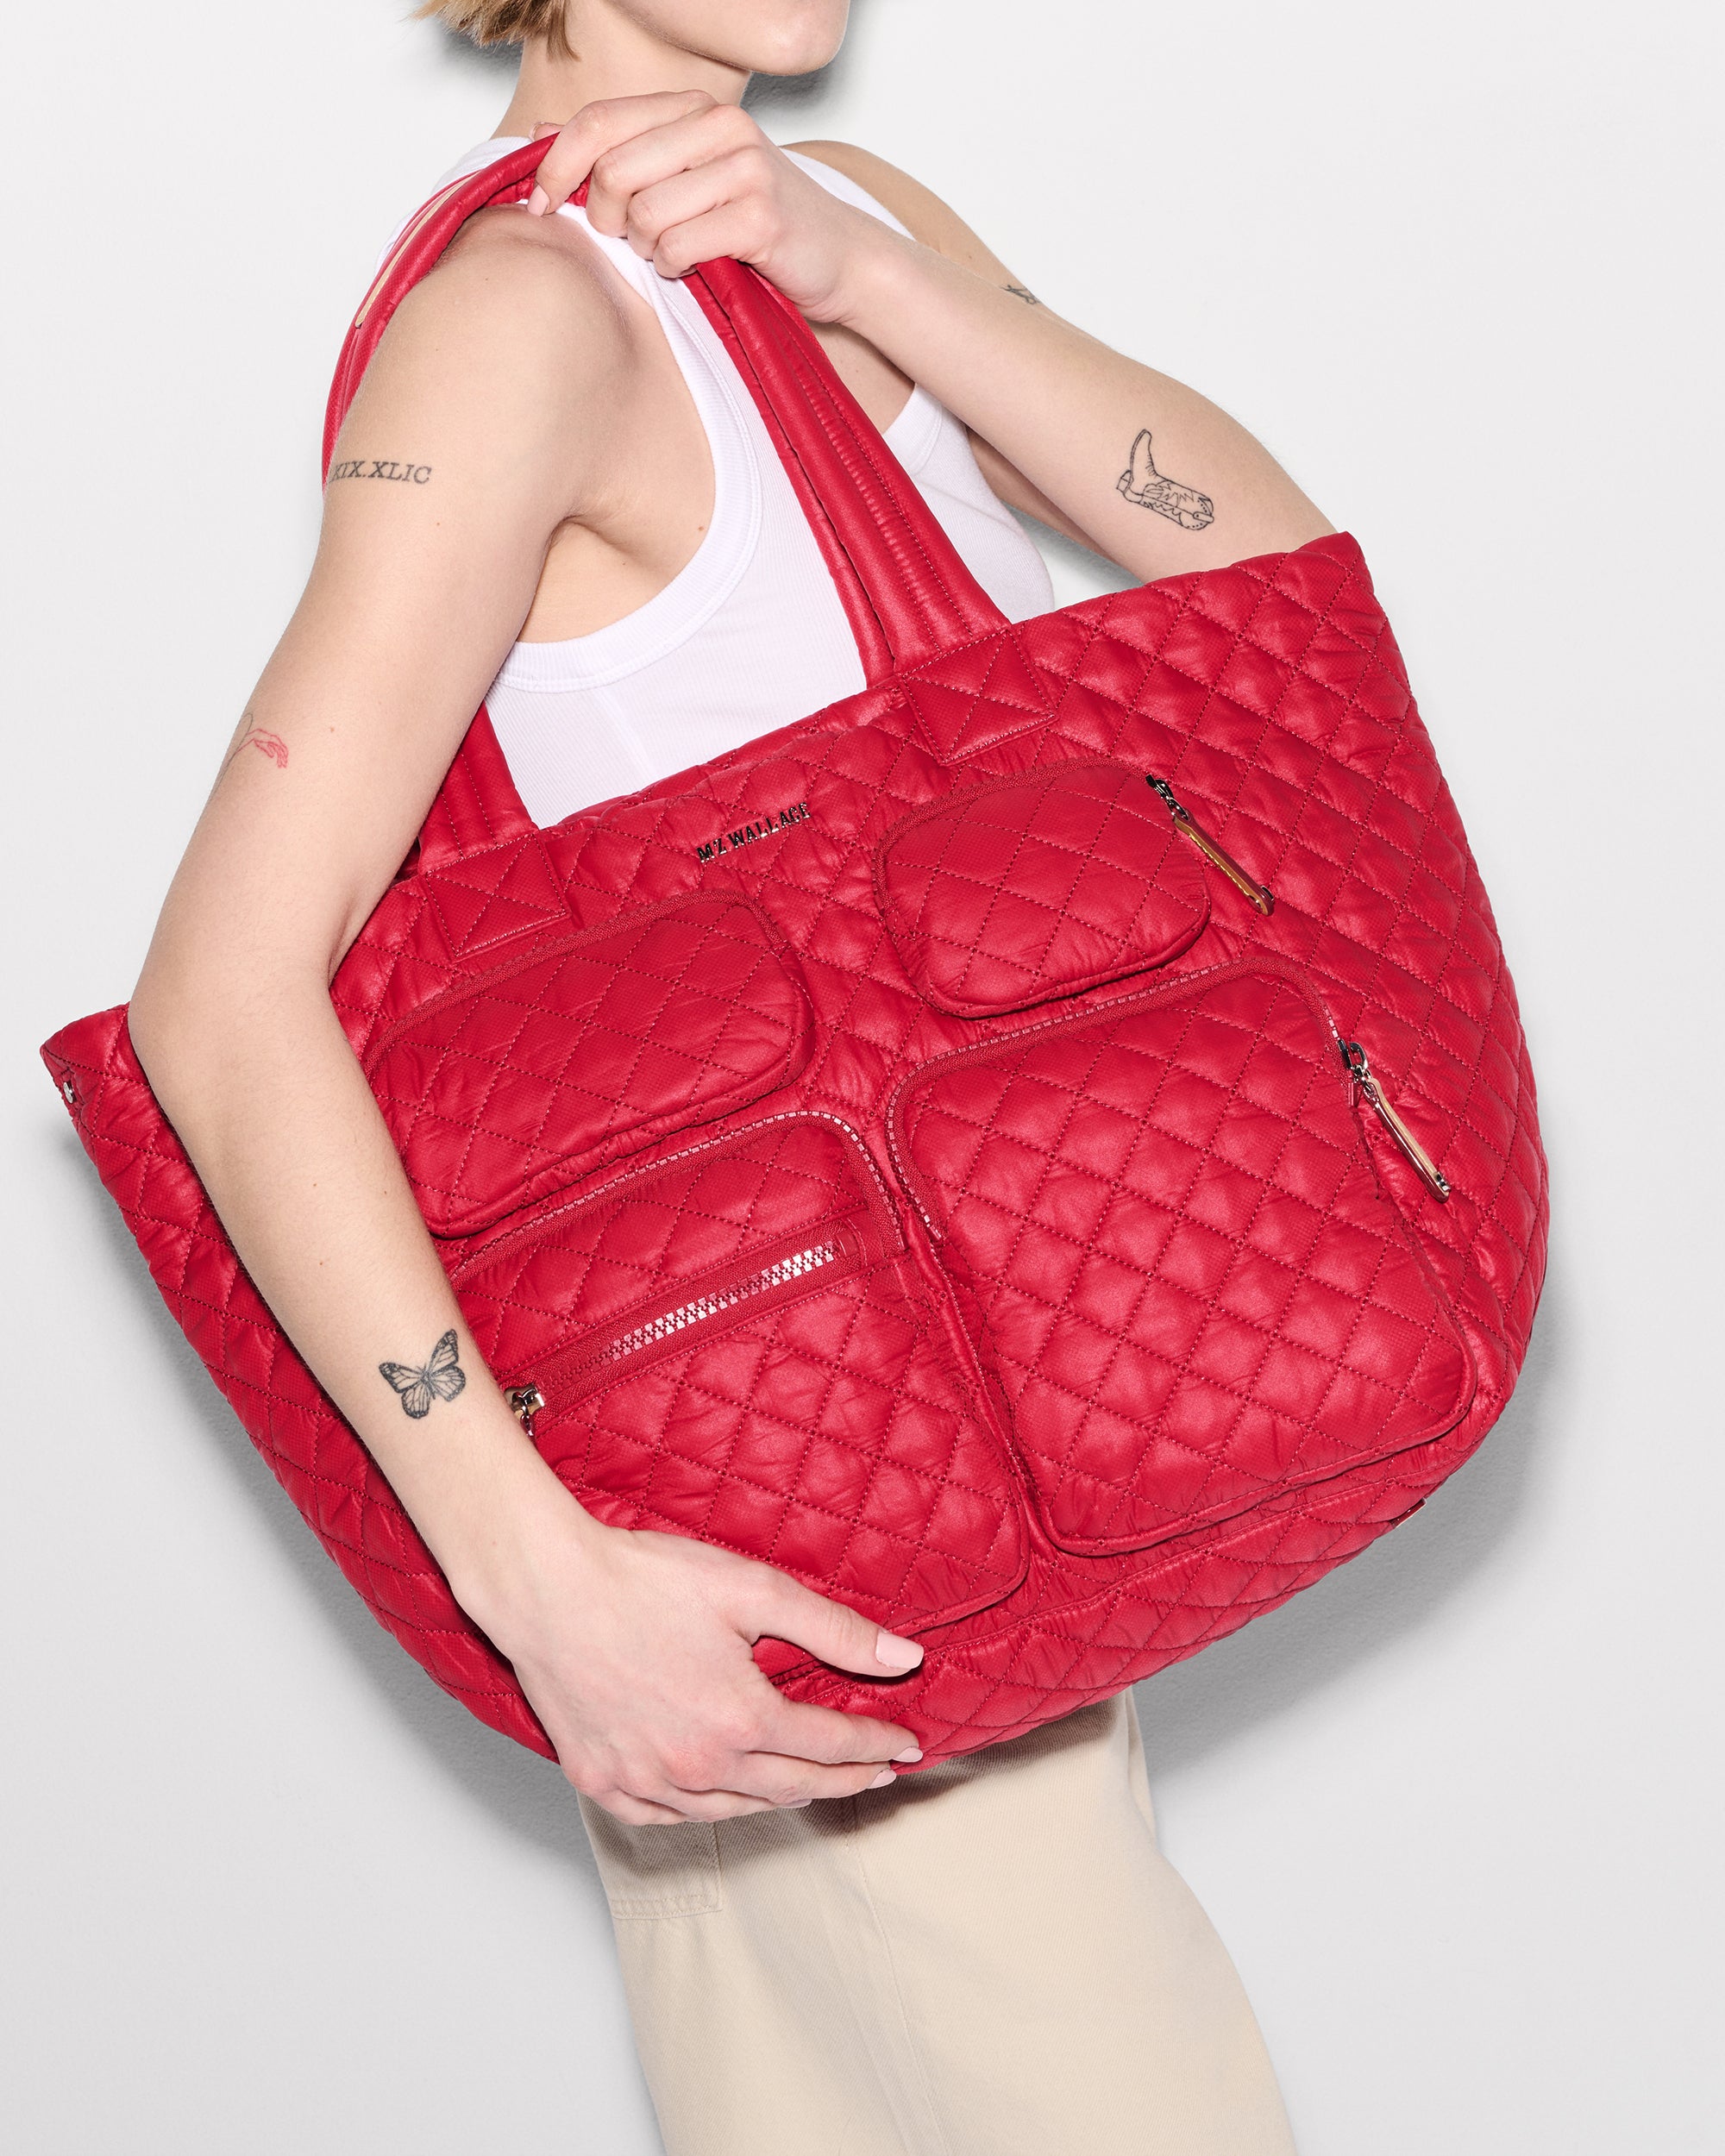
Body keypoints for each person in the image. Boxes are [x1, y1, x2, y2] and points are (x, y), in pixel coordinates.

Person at [128, 3, 1332, 2148]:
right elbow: (219, 997)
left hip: (989, 1424)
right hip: (782, 1497)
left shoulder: (847, 215)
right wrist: (531, 1572)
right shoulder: (521, 321)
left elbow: (1269, 584)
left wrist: (871, 277)